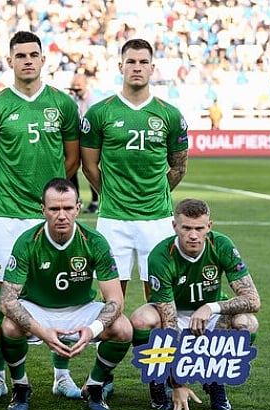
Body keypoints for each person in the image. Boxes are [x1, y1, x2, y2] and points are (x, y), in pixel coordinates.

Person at [0, 30, 80, 400]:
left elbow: (72, 160)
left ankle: (62, 374)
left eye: (34, 55)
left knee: (59, 294)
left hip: (51, 216)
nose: (28, 61)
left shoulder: (63, 105)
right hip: (7, 216)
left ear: (43, 60)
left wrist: (50, 200)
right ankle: (0, 375)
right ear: (10, 61)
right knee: (6, 300)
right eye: (21, 56)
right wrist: (8, 187)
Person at [0, 178, 133, 410]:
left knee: (123, 328)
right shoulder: (27, 241)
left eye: (68, 208)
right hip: (37, 308)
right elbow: (7, 302)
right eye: (54, 209)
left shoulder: (95, 242)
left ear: (78, 208)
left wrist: (92, 329)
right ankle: (20, 386)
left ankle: (94, 385)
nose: (62, 215)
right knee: (10, 326)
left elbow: (115, 300)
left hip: (80, 308)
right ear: (43, 209)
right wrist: (43, 333)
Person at [129, 198, 260, 410]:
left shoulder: (222, 245)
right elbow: (169, 324)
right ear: (174, 226)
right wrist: (178, 383)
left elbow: (253, 300)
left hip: (209, 314)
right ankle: (159, 380)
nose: (193, 235)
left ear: (209, 226)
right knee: (141, 320)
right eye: (186, 228)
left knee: (247, 323)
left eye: (199, 228)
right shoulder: (161, 256)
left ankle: (215, 379)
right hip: (172, 311)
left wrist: (210, 307)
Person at [80, 38, 189, 300]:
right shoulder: (99, 113)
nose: (137, 67)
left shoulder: (170, 115)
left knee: (160, 298)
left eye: (143, 62)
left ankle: (154, 341)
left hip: (157, 218)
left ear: (153, 68)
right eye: (131, 62)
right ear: (121, 66)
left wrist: (155, 192)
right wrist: (109, 193)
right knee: (113, 300)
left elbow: (178, 167)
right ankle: (112, 341)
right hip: (113, 217)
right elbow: (89, 166)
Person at [67, 72, 99, 214]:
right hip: (77, 137)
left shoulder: (93, 100)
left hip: (90, 139)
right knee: (71, 167)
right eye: (74, 88)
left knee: (90, 168)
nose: (75, 91)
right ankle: (76, 199)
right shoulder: (73, 98)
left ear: (86, 85)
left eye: (78, 88)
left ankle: (95, 201)